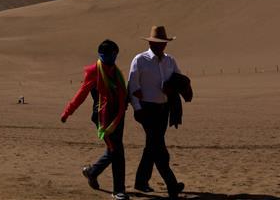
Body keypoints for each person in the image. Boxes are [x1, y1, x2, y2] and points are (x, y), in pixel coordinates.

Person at [61, 39, 129, 200]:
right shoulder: (95, 71)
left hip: (118, 116)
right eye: (110, 54)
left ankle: (92, 172)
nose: (112, 57)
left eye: (114, 54)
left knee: (113, 150)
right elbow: (82, 93)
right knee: (117, 152)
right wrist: (67, 112)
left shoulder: (115, 71)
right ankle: (118, 190)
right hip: (103, 118)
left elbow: (121, 92)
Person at [128, 26, 186, 199]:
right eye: (158, 43)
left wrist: (175, 88)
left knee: (152, 146)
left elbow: (179, 79)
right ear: (151, 42)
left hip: (163, 110)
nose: (162, 46)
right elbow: (133, 86)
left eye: (164, 43)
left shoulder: (170, 61)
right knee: (159, 147)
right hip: (146, 109)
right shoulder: (140, 59)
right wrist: (137, 109)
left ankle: (141, 181)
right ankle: (172, 184)